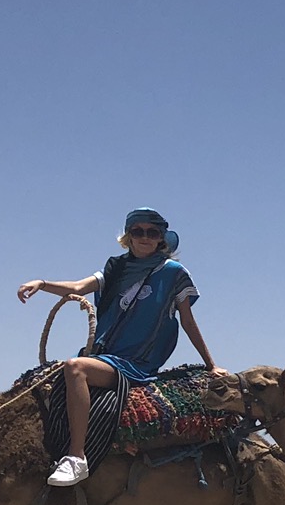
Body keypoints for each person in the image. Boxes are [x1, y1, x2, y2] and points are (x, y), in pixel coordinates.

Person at [17, 207, 215, 487]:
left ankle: (76, 457)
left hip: (137, 361)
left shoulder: (173, 273)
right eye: (138, 232)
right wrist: (43, 283)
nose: (144, 238)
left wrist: (211, 364)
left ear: (161, 239)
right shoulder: (115, 269)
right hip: (106, 355)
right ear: (128, 237)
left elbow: (188, 321)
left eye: (152, 232)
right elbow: (78, 286)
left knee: (75, 368)